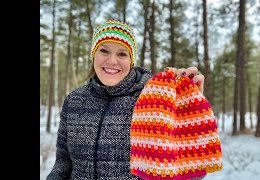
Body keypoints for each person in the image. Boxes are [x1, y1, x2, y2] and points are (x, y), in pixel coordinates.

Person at [46, 19, 205, 180]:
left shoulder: (155, 99)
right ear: (93, 54)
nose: (112, 61)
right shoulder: (74, 100)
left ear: (132, 61)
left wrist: (187, 115)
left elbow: (187, 171)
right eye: (104, 51)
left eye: (122, 54)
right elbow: (63, 160)